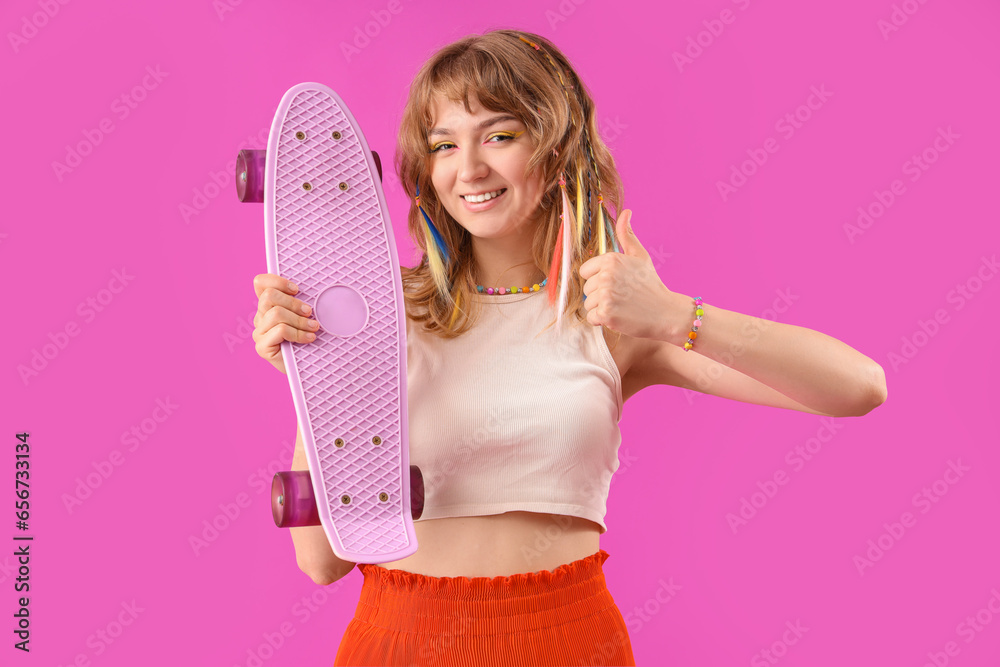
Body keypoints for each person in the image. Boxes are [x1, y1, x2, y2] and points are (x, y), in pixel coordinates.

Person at [251, 28, 888, 667]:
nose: (469, 168)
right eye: (444, 145)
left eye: (499, 136)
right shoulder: (382, 312)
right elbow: (322, 562)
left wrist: (673, 315)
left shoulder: (611, 320)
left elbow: (858, 387)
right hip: (401, 640)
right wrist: (318, 381)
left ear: (556, 150)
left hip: (566, 642)